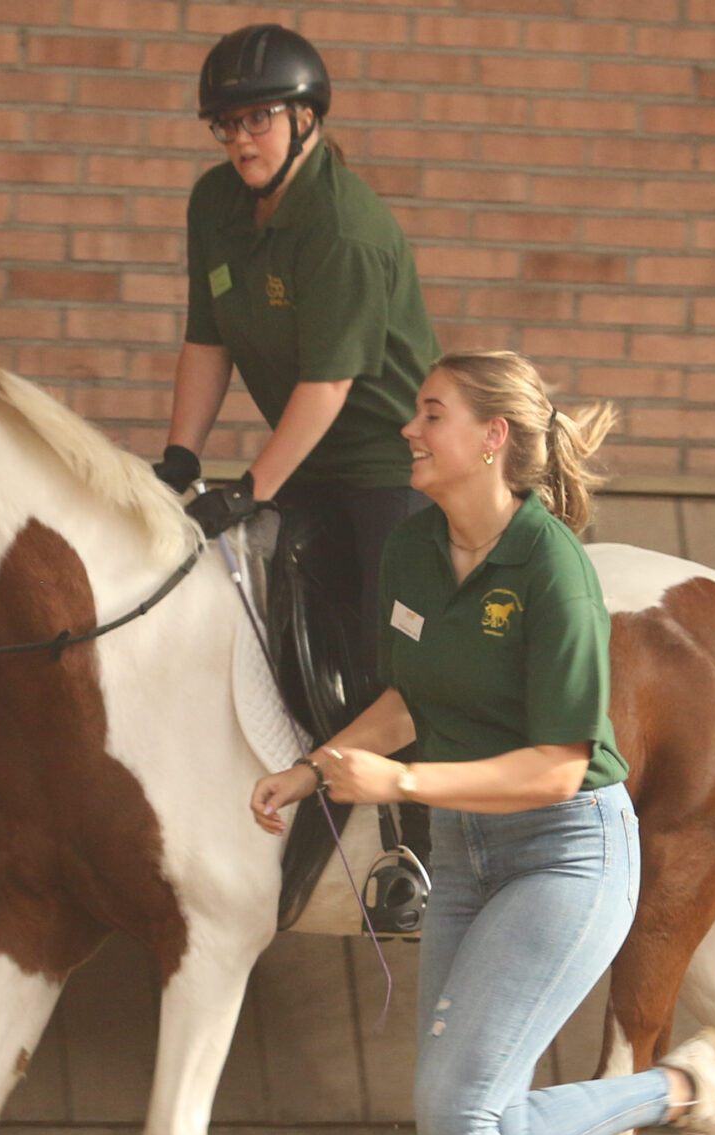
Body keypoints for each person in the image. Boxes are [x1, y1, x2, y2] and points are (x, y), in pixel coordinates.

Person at [250, 351, 715, 1135]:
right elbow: (408, 695)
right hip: (464, 858)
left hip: (567, 853)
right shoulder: (409, 548)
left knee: (458, 1111)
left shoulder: (552, 571)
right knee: (465, 1116)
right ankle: (681, 1090)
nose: (409, 431)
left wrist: (397, 780)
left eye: (429, 414)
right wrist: (315, 769)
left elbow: (560, 763)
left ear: (493, 439)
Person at [155, 22, 441, 678]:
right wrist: (180, 456)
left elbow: (328, 385)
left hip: (392, 468)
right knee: (268, 637)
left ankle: (411, 781)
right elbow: (206, 341)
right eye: (226, 124)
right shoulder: (214, 203)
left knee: (385, 662)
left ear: (306, 118)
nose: (240, 140)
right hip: (310, 461)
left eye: (259, 117)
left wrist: (253, 487)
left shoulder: (343, 229)